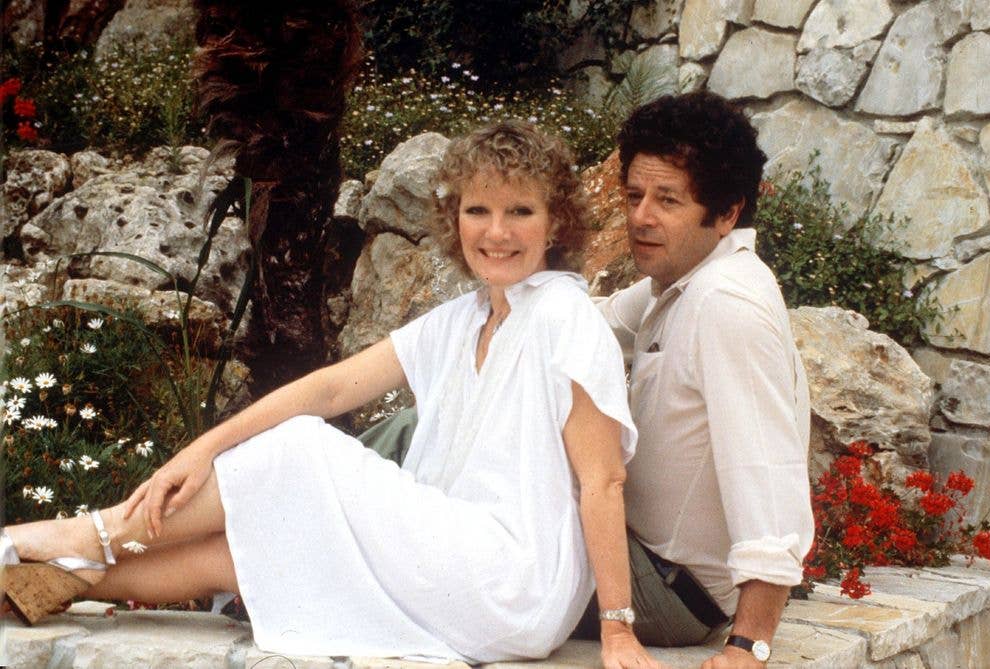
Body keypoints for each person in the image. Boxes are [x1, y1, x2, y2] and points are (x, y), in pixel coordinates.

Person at [1, 121, 662, 668]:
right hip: (456, 562)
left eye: (521, 211)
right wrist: (199, 450)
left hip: (514, 583)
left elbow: (603, 481)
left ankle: (73, 534)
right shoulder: (463, 320)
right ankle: (63, 576)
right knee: (268, 547)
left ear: (555, 223)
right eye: (478, 210)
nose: (497, 232)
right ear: (453, 218)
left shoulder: (564, 317)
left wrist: (618, 629)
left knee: (298, 448)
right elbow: (331, 385)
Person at [587, 91, 814, 667]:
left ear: (727, 212)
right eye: (634, 195)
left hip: (665, 593)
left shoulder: (725, 303)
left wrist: (748, 647)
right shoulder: (683, 279)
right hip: (642, 563)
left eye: (667, 200)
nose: (640, 217)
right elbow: (588, 327)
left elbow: (768, 474)